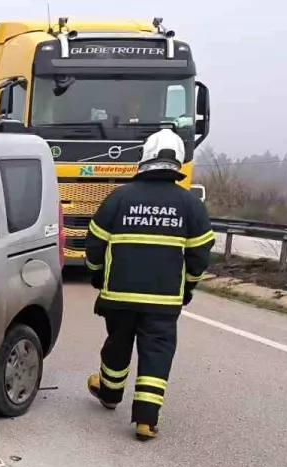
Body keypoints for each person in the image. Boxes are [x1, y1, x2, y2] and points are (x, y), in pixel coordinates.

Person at [85, 129, 214, 441]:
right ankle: (146, 419)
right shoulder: (189, 204)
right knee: (157, 351)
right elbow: (200, 255)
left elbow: (94, 243)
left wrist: (97, 275)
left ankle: (110, 394)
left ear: (145, 158)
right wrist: (188, 287)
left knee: (118, 343)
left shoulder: (119, 197)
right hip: (164, 299)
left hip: (119, 295)